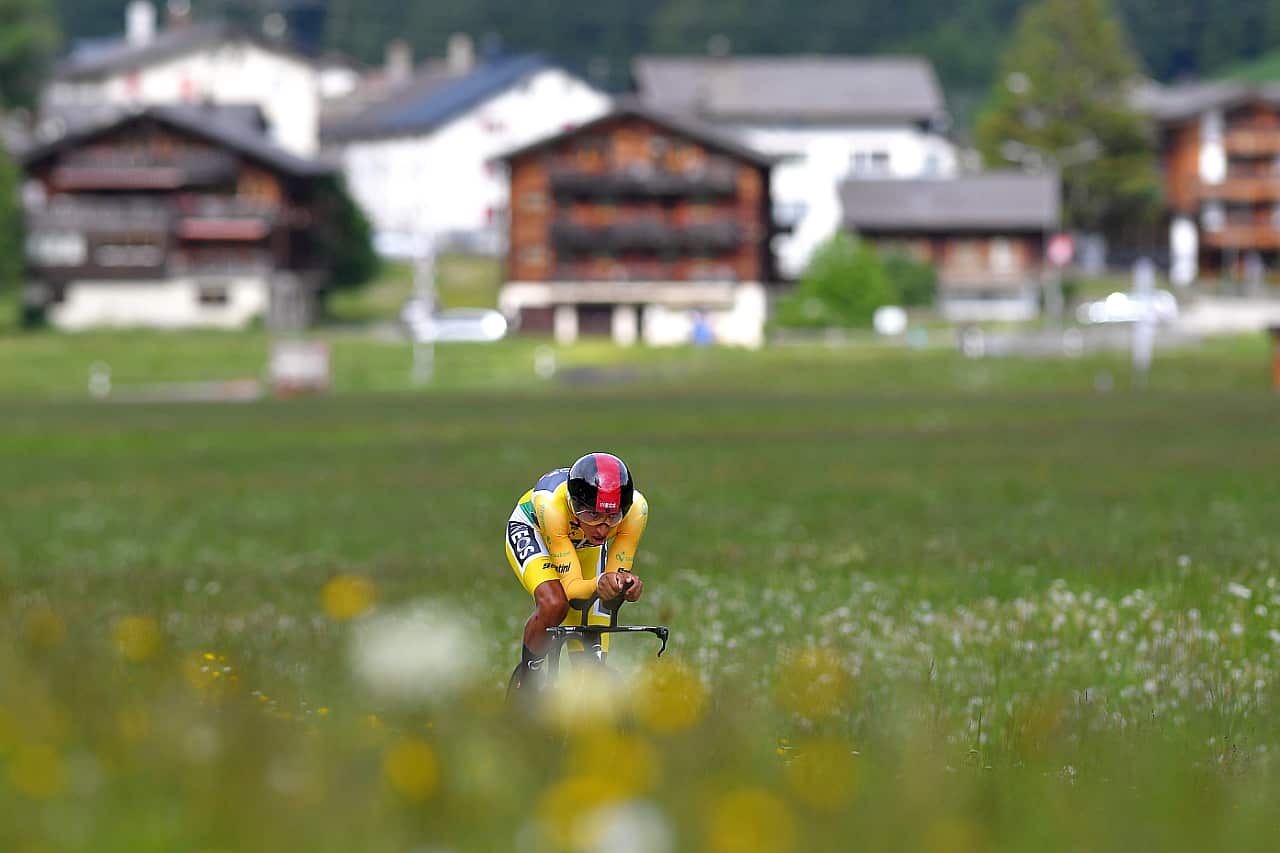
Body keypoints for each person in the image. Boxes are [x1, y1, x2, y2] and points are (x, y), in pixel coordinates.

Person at [505, 452, 648, 694]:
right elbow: (572, 588)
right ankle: (528, 677)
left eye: (612, 517)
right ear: (574, 506)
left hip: (583, 545)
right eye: (591, 515)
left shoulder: (637, 511)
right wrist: (600, 582)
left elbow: (612, 581)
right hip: (538, 532)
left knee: (594, 634)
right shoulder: (550, 505)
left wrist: (625, 586)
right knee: (555, 604)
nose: (602, 528)